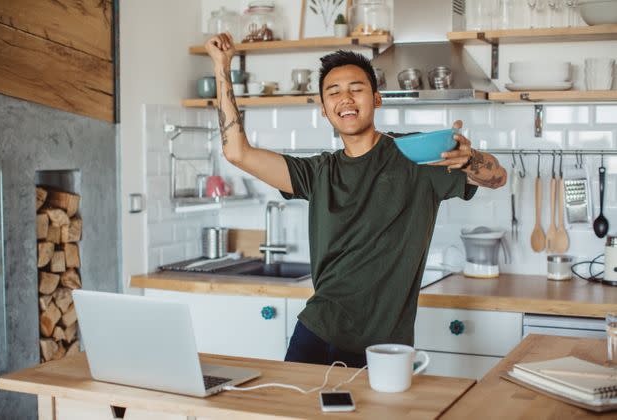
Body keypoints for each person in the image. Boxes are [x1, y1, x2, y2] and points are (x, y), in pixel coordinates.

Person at [205, 32, 507, 368]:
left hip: (385, 348)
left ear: (377, 99)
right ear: (323, 109)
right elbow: (237, 152)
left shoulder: (416, 156)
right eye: (333, 92)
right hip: (317, 332)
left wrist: (471, 160)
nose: (345, 99)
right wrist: (223, 66)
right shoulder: (318, 172)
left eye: (356, 89)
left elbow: (496, 177)